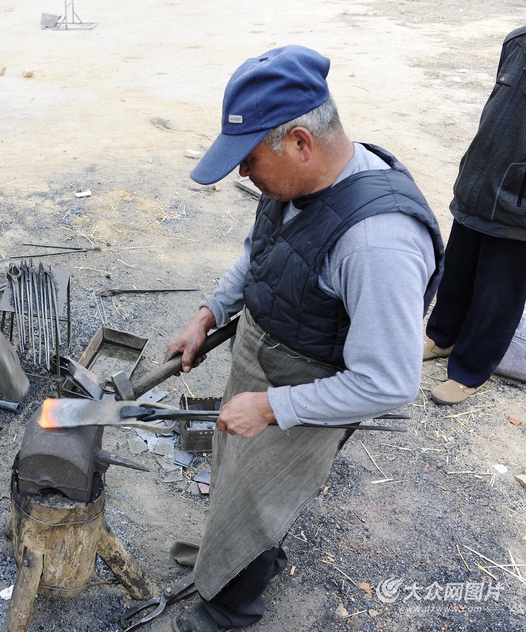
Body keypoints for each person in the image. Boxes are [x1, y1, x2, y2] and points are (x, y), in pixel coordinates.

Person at [163, 46, 443, 631]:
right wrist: (209, 313)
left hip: (308, 388)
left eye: (249, 159)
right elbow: (260, 251)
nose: (243, 173)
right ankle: (245, 556)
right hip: (266, 360)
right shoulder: (290, 186)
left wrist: (271, 406)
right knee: (241, 480)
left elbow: (388, 383)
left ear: (299, 142)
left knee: (262, 494)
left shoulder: (378, 244)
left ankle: (229, 610)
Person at [424, 26, 526, 405]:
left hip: (519, 202)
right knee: (459, 270)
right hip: (480, 184)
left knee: (498, 292)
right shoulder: (518, 42)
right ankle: (443, 336)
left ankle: (471, 368)